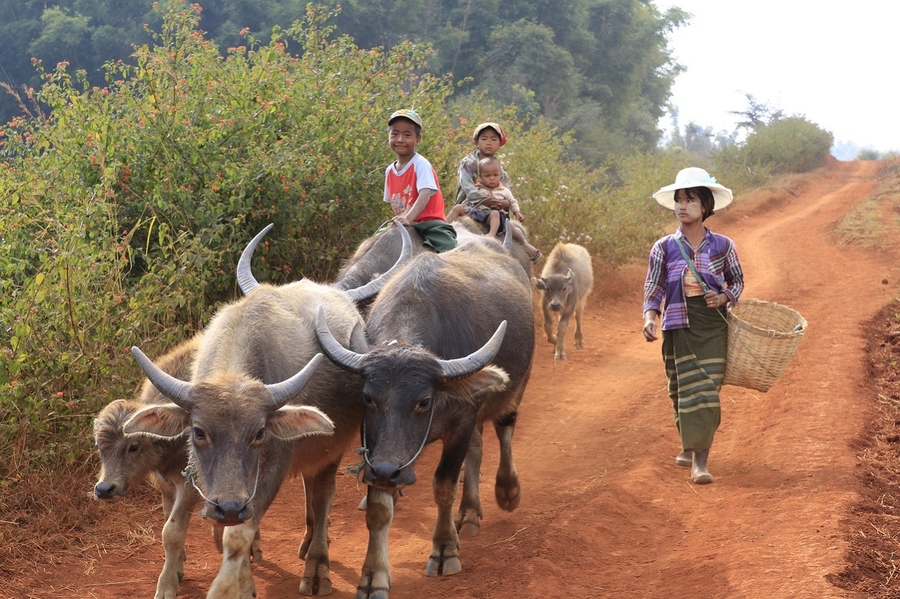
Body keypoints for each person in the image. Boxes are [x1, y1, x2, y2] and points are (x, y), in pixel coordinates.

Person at [641, 167, 744, 485]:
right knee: (680, 389)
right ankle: (690, 442)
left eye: (690, 200)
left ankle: (700, 461)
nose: (682, 206)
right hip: (677, 324)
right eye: (679, 200)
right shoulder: (663, 247)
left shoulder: (723, 245)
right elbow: (654, 286)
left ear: (705, 206)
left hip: (712, 326)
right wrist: (650, 317)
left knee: (706, 389)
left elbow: (737, 282)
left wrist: (723, 297)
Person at [453, 122, 541, 262]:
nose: (489, 143)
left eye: (494, 139)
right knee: (457, 211)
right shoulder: (468, 163)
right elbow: (468, 188)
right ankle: (443, 228)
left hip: (494, 210)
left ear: (500, 144)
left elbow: (506, 192)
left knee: (507, 223)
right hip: (471, 205)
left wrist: (505, 203)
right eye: (484, 139)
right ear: (476, 143)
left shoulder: (499, 169)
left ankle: (525, 245)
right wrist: (486, 200)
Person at [383, 109, 457, 252]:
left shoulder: (420, 164)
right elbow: (394, 203)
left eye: (407, 135)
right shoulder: (390, 171)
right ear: (389, 136)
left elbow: (425, 194)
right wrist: (402, 219)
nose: (400, 139)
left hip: (430, 224)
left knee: (447, 247)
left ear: (418, 139)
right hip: (406, 224)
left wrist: (409, 218)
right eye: (395, 134)